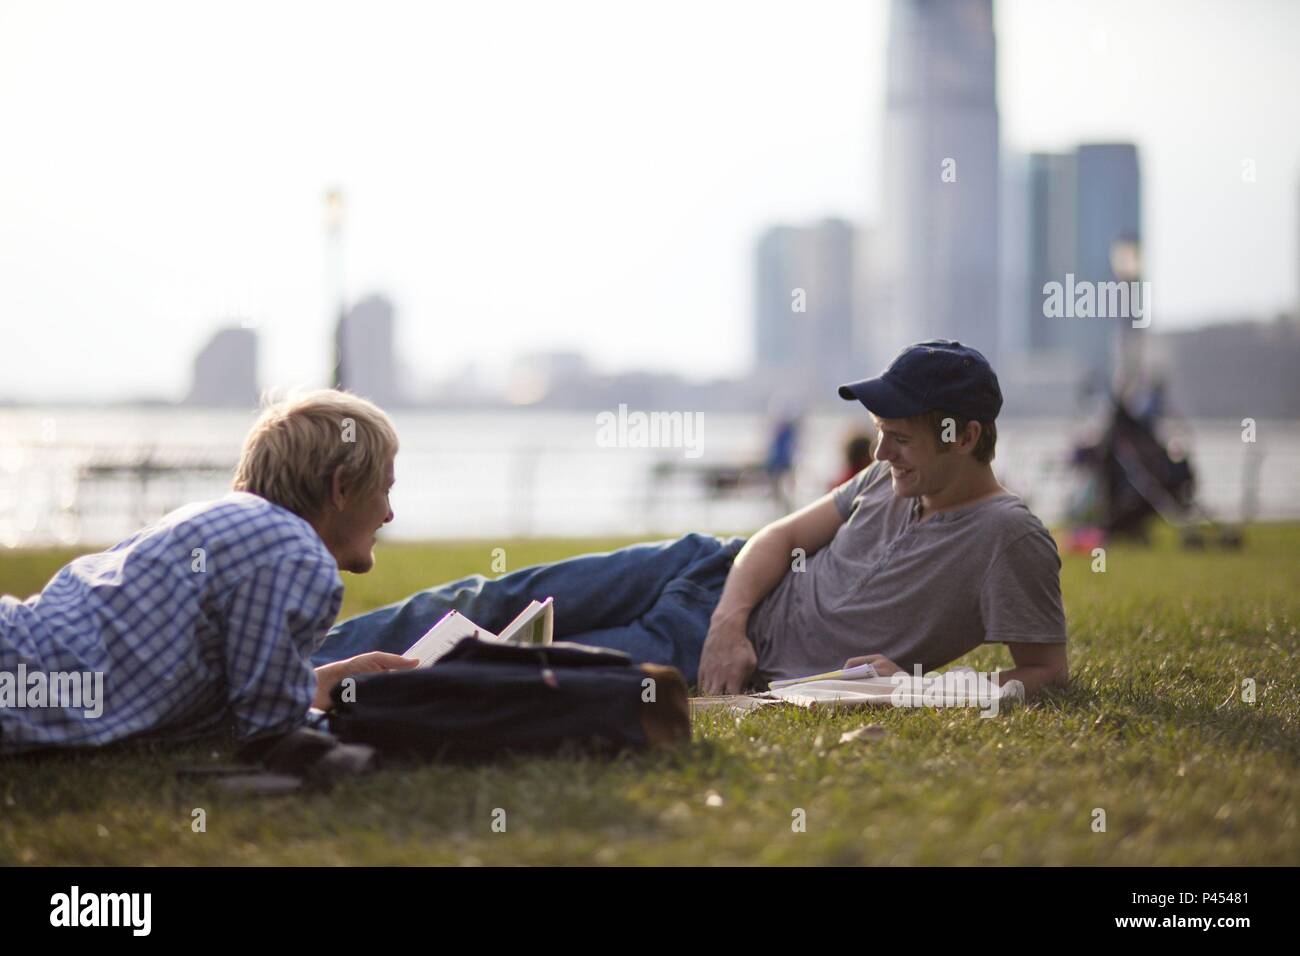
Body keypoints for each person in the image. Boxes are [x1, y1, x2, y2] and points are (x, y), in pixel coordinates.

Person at [317, 341, 1069, 700]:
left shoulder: (1009, 540)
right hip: (705, 575)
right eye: (880, 430)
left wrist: (907, 692)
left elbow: (1044, 675)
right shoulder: (883, 479)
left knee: (510, 664)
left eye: (898, 435)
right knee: (483, 601)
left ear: (963, 437)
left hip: (723, 654)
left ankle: (304, 695)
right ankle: (294, 662)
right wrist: (729, 621)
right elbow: (778, 538)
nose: (880, 449)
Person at [0, 390, 416, 755]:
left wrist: (326, 681)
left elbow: (214, 692)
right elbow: (272, 731)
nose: (389, 513)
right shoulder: (296, 554)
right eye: (385, 489)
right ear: (341, 487)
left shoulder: (225, 525)